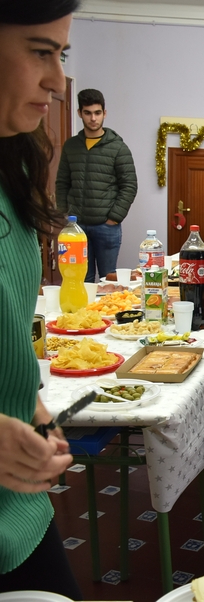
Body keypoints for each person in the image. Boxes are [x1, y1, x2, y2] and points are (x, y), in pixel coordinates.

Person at [0, 0, 82, 597]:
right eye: (39, 52)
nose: (57, 82)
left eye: (61, 55)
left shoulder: (13, 157)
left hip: (18, 516)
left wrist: (25, 399)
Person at [55, 87, 137, 282]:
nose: (93, 118)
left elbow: (129, 185)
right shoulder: (71, 146)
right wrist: (64, 211)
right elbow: (62, 181)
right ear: (79, 114)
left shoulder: (118, 147)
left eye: (97, 113)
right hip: (77, 227)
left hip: (106, 227)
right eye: (88, 113)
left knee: (109, 280)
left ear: (104, 113)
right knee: (81, 280)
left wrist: (114, 218)